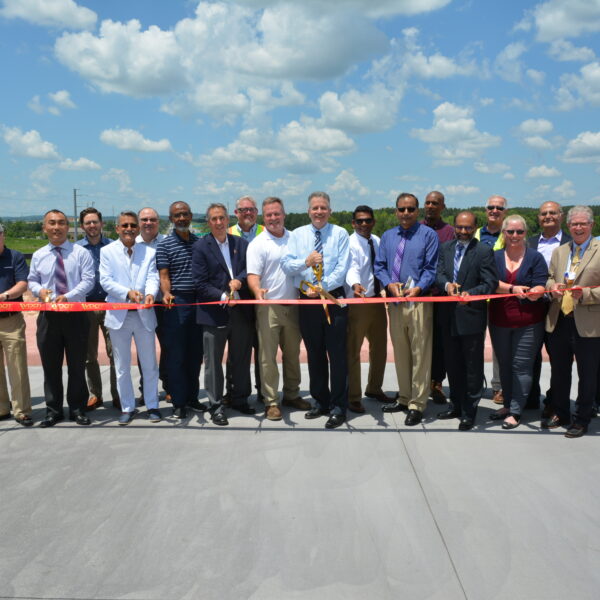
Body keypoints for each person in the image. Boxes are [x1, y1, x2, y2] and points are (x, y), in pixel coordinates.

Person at [281, 191, 350, 430]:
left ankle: (339, 406)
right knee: (314, 353)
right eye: (314, 208)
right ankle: (320, 402)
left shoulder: (340, 234)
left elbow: (342, 269)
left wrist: (322, 287)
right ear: (308, 211)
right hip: (308, 301)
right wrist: (306, 263)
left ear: (329, 211)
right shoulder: (297, 235)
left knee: (337, 356)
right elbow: (287, 265)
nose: (319, 212)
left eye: (323, 208)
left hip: (333, 300)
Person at [374, 193, 439, 426]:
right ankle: (404, 397)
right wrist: (388, 283)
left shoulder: (428, 235)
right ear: (396, 211)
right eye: (401, 209)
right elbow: (379, 266)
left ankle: (418, 404)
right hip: (395, 303)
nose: (405, 213)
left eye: (410, 209)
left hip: (419, 302)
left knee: (420, 354)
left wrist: (419, 288)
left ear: (417, 211)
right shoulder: (388, 236)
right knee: (400, 353)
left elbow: (431, 268)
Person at [28, 209, 95, 427]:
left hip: (76, 314)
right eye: (51, 223)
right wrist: (40, 292)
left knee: (77, 364)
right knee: (50, 365)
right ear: (44, 228)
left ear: (68, 227)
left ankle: (77, 409)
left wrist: (68, 297)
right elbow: (32, 281)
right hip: (49, 317)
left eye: (61, 223)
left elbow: (88, 280)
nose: (56, 227)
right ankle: (53, 410)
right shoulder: (39, 255)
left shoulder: (80, 253)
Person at [247, 197, 310, 420]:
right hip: (268, 307)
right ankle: (271, 401)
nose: (273, 218)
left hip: (294, 305)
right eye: (269, 215)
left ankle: (292, 394)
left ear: (284, 214)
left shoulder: (296, 239)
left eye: (277, 213)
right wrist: (256, 291)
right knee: (267, 357)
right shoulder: (257, 244)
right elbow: (253, 275)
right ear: (264, 217)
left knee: (293, 354)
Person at [192, 203, 255, 427]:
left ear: (228, 220)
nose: (219, 222)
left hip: (240, 312)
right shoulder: (201, 247)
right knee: (213, 363)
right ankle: (216, 405)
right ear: (208, 222)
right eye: (214, 219)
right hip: (213, 313)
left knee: (240, 358)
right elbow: (199, 283)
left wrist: (239, 279)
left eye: (222, 218)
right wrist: (221, 295)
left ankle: (239, 399)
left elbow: (250, 269)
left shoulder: (242, 244)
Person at [435, 211, 498, 430]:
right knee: (452, 365)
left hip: (471, 317)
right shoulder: (445, 248)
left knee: (472, 367)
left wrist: (470, 294)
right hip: (448, 316)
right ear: (454, 227)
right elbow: (439, 273)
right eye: (459, 227)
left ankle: (470, 411)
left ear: (474, 228)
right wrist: (446, 286)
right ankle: (457, 405)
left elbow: (490, 283)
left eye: (468, 228)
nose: (463, 232)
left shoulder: (483, 251)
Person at [99, 211, 161, 425]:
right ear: (117, 228)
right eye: (124, 225)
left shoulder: (148, 252)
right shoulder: (107, 252)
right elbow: (105, 281)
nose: (129, 229)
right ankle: (128, 407)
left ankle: (153, 405)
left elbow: (153, 276)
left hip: (144, 315)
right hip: (119, 316)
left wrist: (152, 292)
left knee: (149, 364)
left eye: (133, 225)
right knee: (122, 365)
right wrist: (127, 293)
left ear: (137, 229)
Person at [544, 205, 600, 438]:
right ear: (568, 226)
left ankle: (582, 418)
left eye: (583, 224)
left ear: (591, 225)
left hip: (588, 322)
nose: (578, 228)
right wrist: (552, 288)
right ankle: (561, 412)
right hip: (559, 320)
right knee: (559, 372)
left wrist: (586, 295)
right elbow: (549, 278)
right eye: (574, 224)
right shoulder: (560, 251)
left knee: (588, 374)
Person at [488, 215, 547, 429]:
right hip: (499, 320)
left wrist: (537, 292)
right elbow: (490, 283)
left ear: (525, 233)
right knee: (504, 366)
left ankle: (515, 410)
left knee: (521, 367)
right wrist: (512, 289)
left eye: (519, 232)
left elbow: (541, 283)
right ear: (503, 233)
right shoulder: (493, 257)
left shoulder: (535, 257)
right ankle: (507, 404)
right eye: (510, 232)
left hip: (529, 322)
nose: (514, 236)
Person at [156, 201, 205, 419]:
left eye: (185, 214)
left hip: (199, 303)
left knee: (195, 355)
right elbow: (164, 276)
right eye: (177, 215)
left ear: (191, 215)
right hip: (176, 304)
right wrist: (166, 293)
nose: (182, 218)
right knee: (176, 355)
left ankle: (193, 398)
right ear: (171, 219)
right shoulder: (164, 245)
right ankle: (178, 401)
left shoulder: (199, 242)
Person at [345, 205, 392, 413]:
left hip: (375, 301)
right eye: (359, 221)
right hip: (357, 301)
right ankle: (353, 396)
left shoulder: (378, 241)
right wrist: (355, 284)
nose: (364, 224)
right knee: (353, 351)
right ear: (353, 223)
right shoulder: (349, 243)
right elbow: (351, 267)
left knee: (380, 348)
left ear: (373, 222)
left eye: (368, 220)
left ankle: (374, 388)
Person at [526, 201, 571, 412]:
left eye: (553, 213)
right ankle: (531, 398)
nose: (548, 216)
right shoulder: (529, 242)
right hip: (533, 307)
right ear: (538, 217)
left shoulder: (573, 242)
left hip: (561, 309)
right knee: (531, 356)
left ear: (561, 216)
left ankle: (554, 401)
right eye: (544, 213)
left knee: (559, 359)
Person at [76, 207, 119, 411]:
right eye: (87, 223)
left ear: (101, 223)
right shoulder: (76, 249)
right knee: (88, 355)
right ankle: (95, 395)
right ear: (82, 226)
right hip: (86, 307)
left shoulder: (113, 246)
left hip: (112, 306)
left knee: (115, 353)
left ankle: (118, 395)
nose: (92, 226)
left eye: (95, 222)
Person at [226, 195, 263, 401]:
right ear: (236, 213)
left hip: (261, 298)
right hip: (237, 301)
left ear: (256, 212)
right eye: (243, 210)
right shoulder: (227, 233)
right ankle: (235, 392)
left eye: (251, 209)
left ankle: (263, 392)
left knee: (263, 350)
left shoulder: (265, 232)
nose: (247, 213)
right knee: (237, 351)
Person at [421, 190, 455, 405]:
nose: (431, 206)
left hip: (441, 295)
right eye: (428, 202)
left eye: (435, 203)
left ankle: (436, 383)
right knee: (420, 341)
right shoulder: (417, 229)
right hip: (420, 295)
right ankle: (417, 383)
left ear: (443, 206)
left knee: (440, 342)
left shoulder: (449, 231)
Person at [475, 195, 507, 406]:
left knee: (500, 347)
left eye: (499, 207)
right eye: (491, 207)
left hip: (500, 300)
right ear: (485, 210)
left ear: (504, 211)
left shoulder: (511, 234)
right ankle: (475, 385)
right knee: (474, 346)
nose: (494, 210)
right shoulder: (476, 233)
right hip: (478, 299)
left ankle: (499, 387)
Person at [0, 223, 33, 426]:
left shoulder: (15, 257)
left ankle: (21, 410)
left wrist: (4, 296)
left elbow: (22, 284)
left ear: (3, 235)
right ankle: (2, 408)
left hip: (11, 318)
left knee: (17, 366)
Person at [136, 207, 168, 401]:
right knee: (144, 349)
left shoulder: (167, 242)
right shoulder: (132, 243)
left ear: (158, 222)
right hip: (142, 304)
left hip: (163, 303)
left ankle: (169, 384)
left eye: (153, 219)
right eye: (145, 219)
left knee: (168, 347)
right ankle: (146, 389)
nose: (148, 223)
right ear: (140, 222)